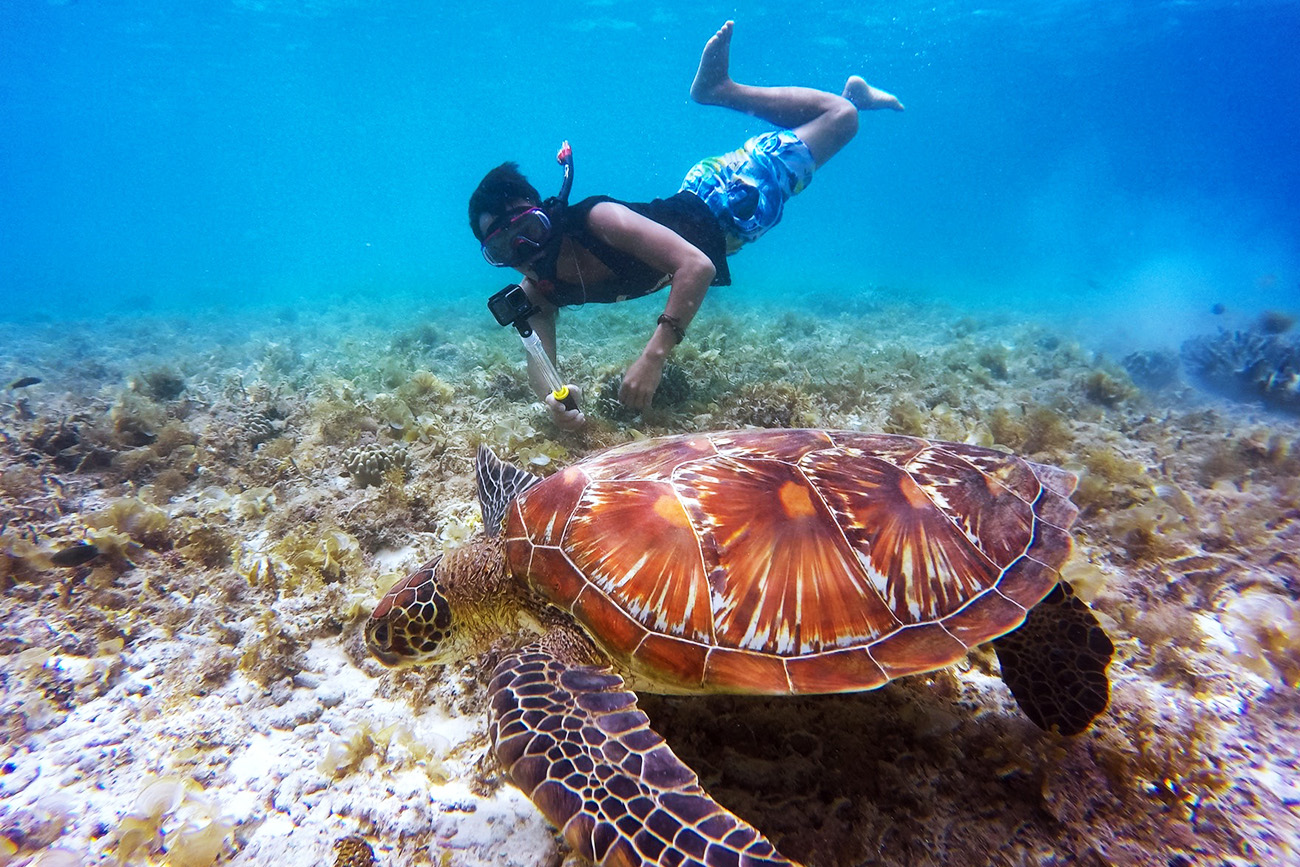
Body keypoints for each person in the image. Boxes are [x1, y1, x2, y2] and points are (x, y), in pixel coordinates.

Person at [469, 20, 904, 431]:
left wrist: (653, 357)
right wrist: (556, 403)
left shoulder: (597, 220)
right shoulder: (538, 291)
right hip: (710, 209)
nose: (526, 251)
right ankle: (853, 95)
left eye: (530, 229)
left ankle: (721, 90)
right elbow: (540, 366)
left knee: (842, 120)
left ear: (548, 213)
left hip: (729, 199)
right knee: (828, 127)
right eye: (505, 248)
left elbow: (696, 267)